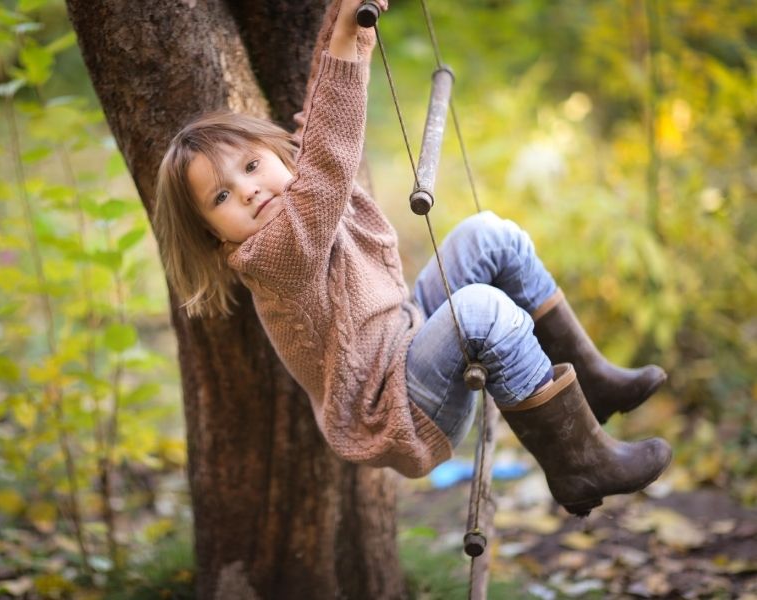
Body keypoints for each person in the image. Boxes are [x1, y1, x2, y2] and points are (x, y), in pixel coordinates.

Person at [153, 0, 671, 516]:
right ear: (216, 239)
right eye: (220, 197)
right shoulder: (274, 256)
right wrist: (344, 43)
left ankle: (591, 385)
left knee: (487, 235)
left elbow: (318, 120)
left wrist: (347, 25)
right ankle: (578, 462)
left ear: (283, 155)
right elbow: (331, 149)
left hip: (406, 339)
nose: (246, 191)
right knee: (481, 310)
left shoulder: (299, 203)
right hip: (402, 413)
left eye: (250, 165)